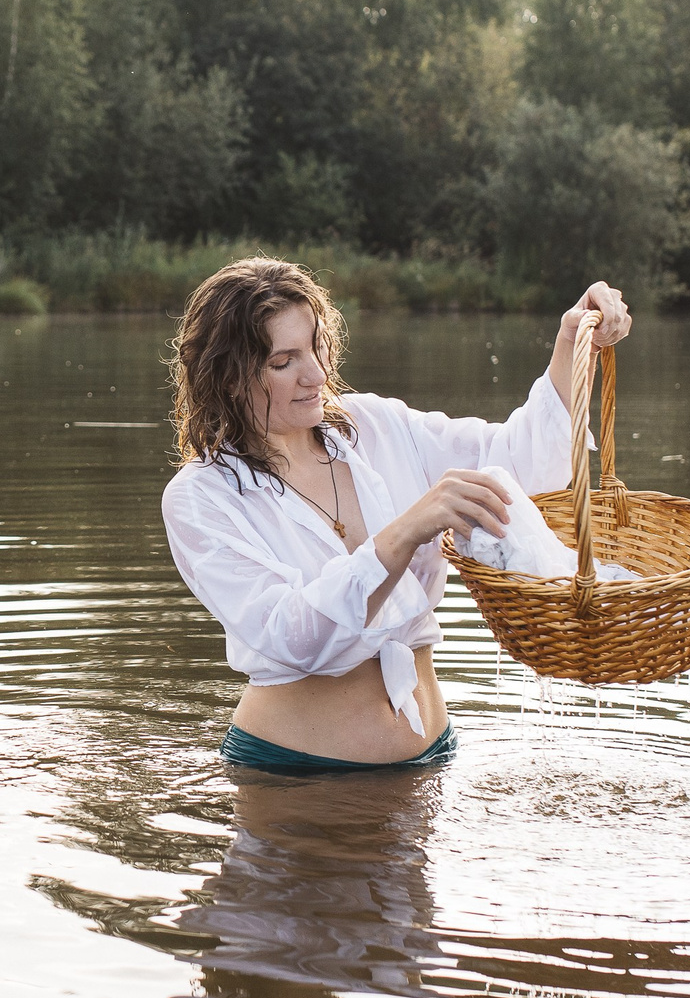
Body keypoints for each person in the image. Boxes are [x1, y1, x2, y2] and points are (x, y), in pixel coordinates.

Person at [161, 257, 631, 772]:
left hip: (431, 759)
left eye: (316, 346)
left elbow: (517, 469)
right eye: (283, 362)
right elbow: (292, 637)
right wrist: (407, 530)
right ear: (228, 378)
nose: (316, 373)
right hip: (296, 776)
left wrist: (571, 343)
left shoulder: (374, 425)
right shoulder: (202, 498)